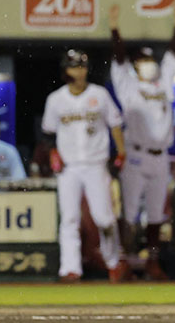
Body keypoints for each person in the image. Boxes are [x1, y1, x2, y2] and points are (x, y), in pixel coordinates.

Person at [109, 0, 175, 281]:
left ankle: (152, 262)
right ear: (135, 64)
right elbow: (118, 59)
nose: (148, 64)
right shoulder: (129, 85)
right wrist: (114, 28)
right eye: (142, 60)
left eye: (149, 60)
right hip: (136, 154)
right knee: (129, 213)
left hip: (160, 156)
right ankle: (124, 260)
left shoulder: (163, 83)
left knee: (156, 213)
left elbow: (174, 55)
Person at [41, 49, 129, 283]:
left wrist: (120, 152)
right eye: (73, 67)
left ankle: (114, 261)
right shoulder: (56, 99)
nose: (78, 71)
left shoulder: (99, 94)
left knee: (104, 218)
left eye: (81, 66)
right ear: (65, 70)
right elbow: (48, 133)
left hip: (95, 164)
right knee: (69, 218)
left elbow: (115, 124)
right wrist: (53, 153)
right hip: (69, 167)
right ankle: (70, 269)